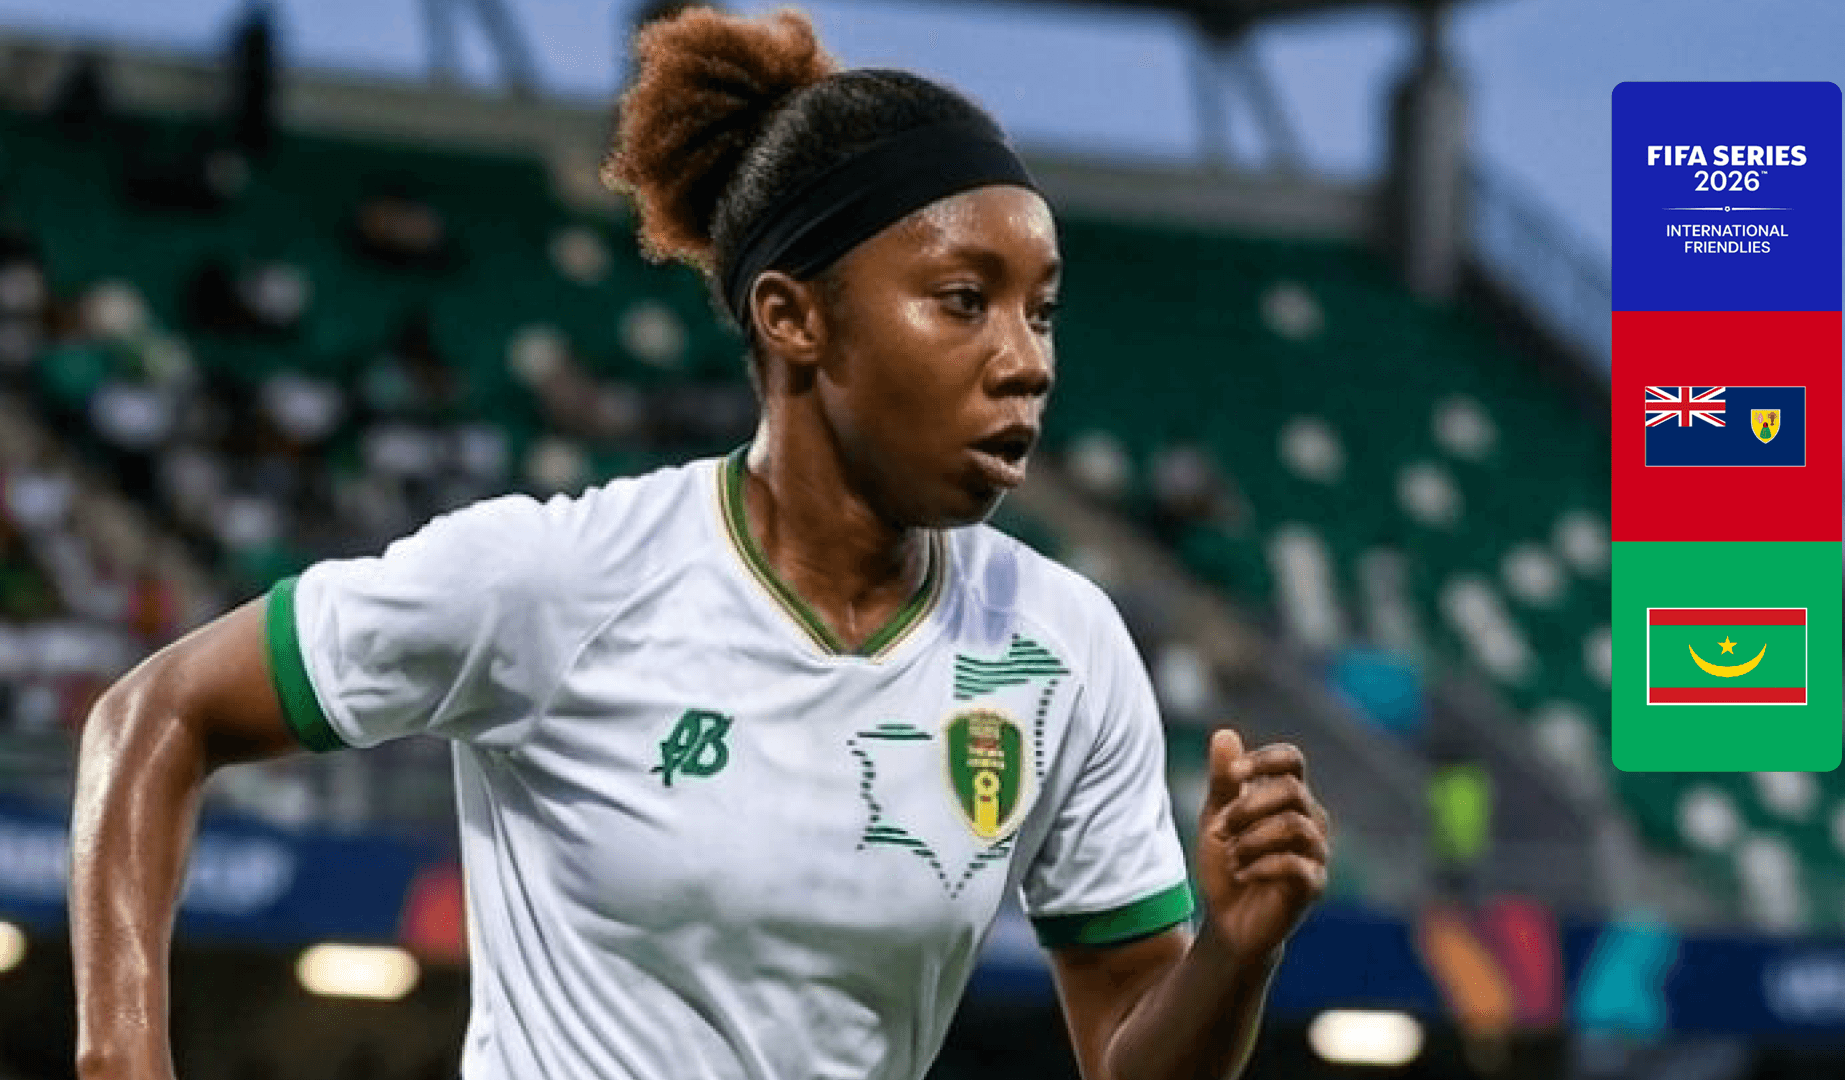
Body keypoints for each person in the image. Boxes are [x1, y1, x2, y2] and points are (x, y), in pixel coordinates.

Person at [68, 8, 1332, 1080]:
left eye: (1040, 310)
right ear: (795, 320)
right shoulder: (558, 580)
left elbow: (1131, 1052)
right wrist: (121, 1057)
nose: (1027, 361)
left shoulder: (1061, 647)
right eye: (964, 302)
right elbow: (157, 713)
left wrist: (1236, 948)